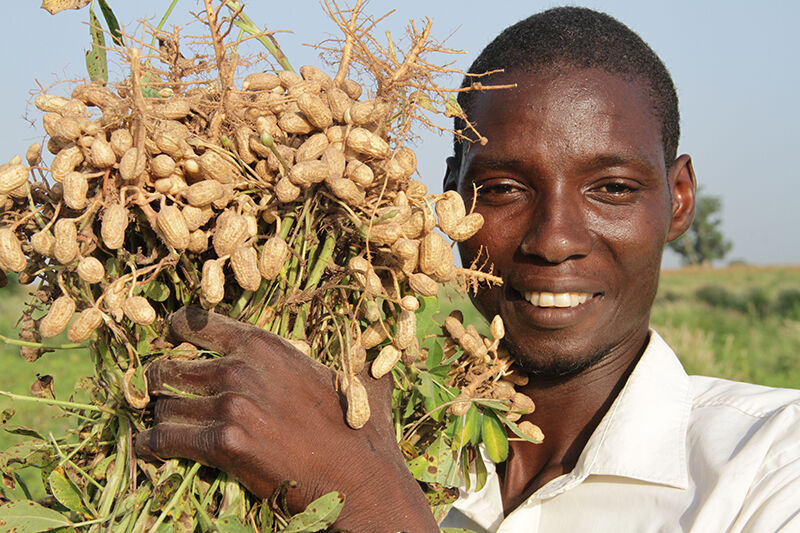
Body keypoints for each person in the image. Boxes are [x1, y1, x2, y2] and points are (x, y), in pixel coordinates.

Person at [136, 7, 800, 532]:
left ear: (678, 198)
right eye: (507, 188)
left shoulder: (770, 466)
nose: (553, 240)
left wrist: (366, 495)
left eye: (612, 189)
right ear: (451, 196)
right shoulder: (381, 429)